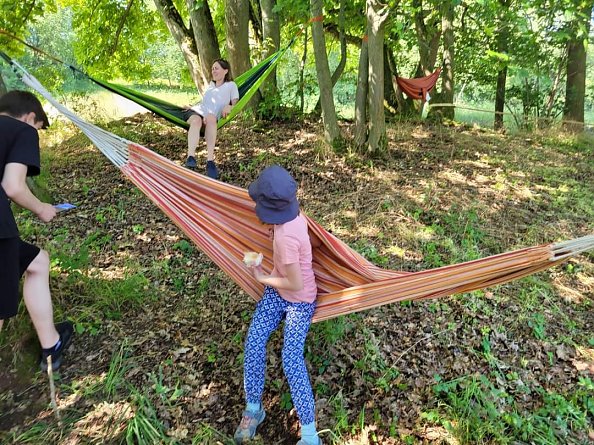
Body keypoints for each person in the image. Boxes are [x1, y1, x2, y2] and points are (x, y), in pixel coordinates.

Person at [234, 165, 322, 445]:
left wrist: (263, 277)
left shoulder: (285, 237)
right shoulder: (294, 215)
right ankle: (253, 409)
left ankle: (309, 435)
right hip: (281, 289)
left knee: (291, 358)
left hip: (300, 300)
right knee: (255, 340)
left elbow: (295, 285)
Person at [0, 90, 73, 372]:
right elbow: (13, 186)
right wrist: (41, 208)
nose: (36, 134)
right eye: (38, 128)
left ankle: (51, 345)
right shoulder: (22, 130)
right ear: (30, 118)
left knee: (37, 261)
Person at [184, 59, 239, 179]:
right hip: (196, 112)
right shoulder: (211, 85)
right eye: (213, 68)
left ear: (226, 71)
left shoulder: (231, 85)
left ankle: (210, 161)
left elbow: (236, 104)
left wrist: (229, 106)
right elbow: (205, 104)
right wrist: (198, 111)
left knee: (211, 118)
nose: (213, 70)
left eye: (216, 68)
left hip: (211, 117)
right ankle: (191, 157)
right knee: (196, 121)